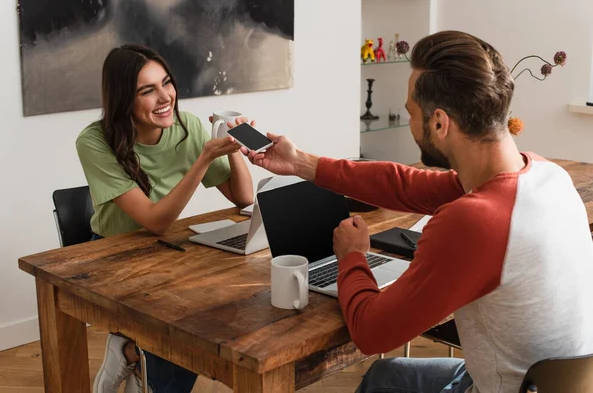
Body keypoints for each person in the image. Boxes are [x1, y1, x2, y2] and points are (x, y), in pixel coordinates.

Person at [243, 30, 593, 393]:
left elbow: (371, 333)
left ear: (439, 123)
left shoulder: (476, 221)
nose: (410, 120)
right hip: (554, 383)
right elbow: (404, 185)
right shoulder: (546, 174)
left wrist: (352, 257)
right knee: (387, 377)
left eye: (412, 112)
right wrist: (301, 163)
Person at [76, 44, 254, 393]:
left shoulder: (187, 127)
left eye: (167, 83)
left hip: (166, 249)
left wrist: (234, 146)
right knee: (174, 325)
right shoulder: (94, 141)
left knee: (206, 318)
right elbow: (153, 220)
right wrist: (202, 160)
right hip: (111, 256)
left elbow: (244, 197)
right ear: (123, 99)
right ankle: (137, 359)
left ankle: (130, 353)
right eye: (147, 90)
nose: (165, 97)